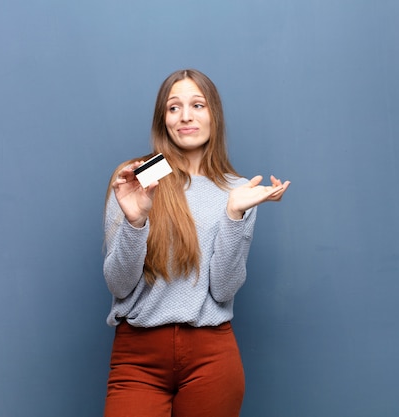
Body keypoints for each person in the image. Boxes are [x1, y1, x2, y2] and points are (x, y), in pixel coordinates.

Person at [102, 69, 290, 417]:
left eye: (197, 105)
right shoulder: (140, 176)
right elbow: (118, 285)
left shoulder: (238, 189)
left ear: (213, 114)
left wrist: (234, 215)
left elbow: (223, 290)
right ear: (163, 119)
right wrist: (135, 221)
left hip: (211, 355)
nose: (185, 116)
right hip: (139, 355)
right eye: (174, 108)